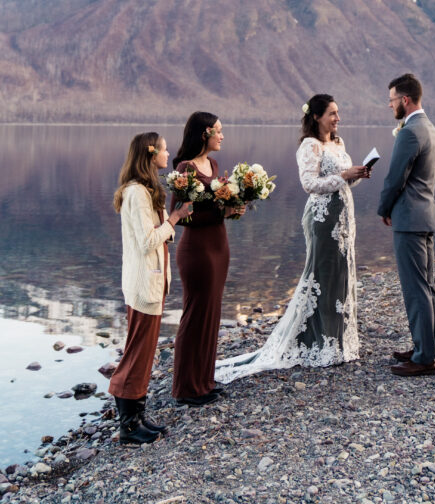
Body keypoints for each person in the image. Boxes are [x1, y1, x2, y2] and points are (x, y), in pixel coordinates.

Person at [215, 94, 370, 382]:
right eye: (332, 114)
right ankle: (318, 344)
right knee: (322, 274)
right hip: (322, 219)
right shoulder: (309, 146)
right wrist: (344, 175)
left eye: (338, 113)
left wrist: (357, 174)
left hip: (344, 216)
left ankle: (339, 343)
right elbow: (309, 184)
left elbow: (342, 180)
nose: (338, 118)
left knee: (341, 274)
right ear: (317, 117)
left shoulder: (338, 143)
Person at [109, 131, 193, 444]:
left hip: (150, 281)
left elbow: (155, 236)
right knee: (138, 351)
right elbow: (147, 241)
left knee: (144, 353)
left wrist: (173, 220)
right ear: (150, 154)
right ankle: (128, 425)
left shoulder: (144, 190)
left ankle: (137, 415)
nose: (167, 154)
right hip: (143, 282)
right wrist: (172, 219)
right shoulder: (136, 194)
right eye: (164, 149)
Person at [171, 111, 245, 406]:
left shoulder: (212, 164)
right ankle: (186, 388)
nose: (222, 135)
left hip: (219, 246)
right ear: (205, 133)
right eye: (219, 130)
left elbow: (216, 205)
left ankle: (204, 381)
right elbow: (182, 216)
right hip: (197, 250)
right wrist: (221, 211)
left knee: (212, 313)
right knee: (195, 314)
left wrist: (235, 207)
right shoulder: (185, 167)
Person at [378, 73, 435, 377]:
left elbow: (395, 178)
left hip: (409, 218)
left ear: (405, 100)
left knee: (415, 289)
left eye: (391, 100)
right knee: (426, 287)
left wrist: (383, 208)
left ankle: (425, 358)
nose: (389, 105)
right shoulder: (428, 127)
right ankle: (423, 347)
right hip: (425, 215)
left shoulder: (410, 132)